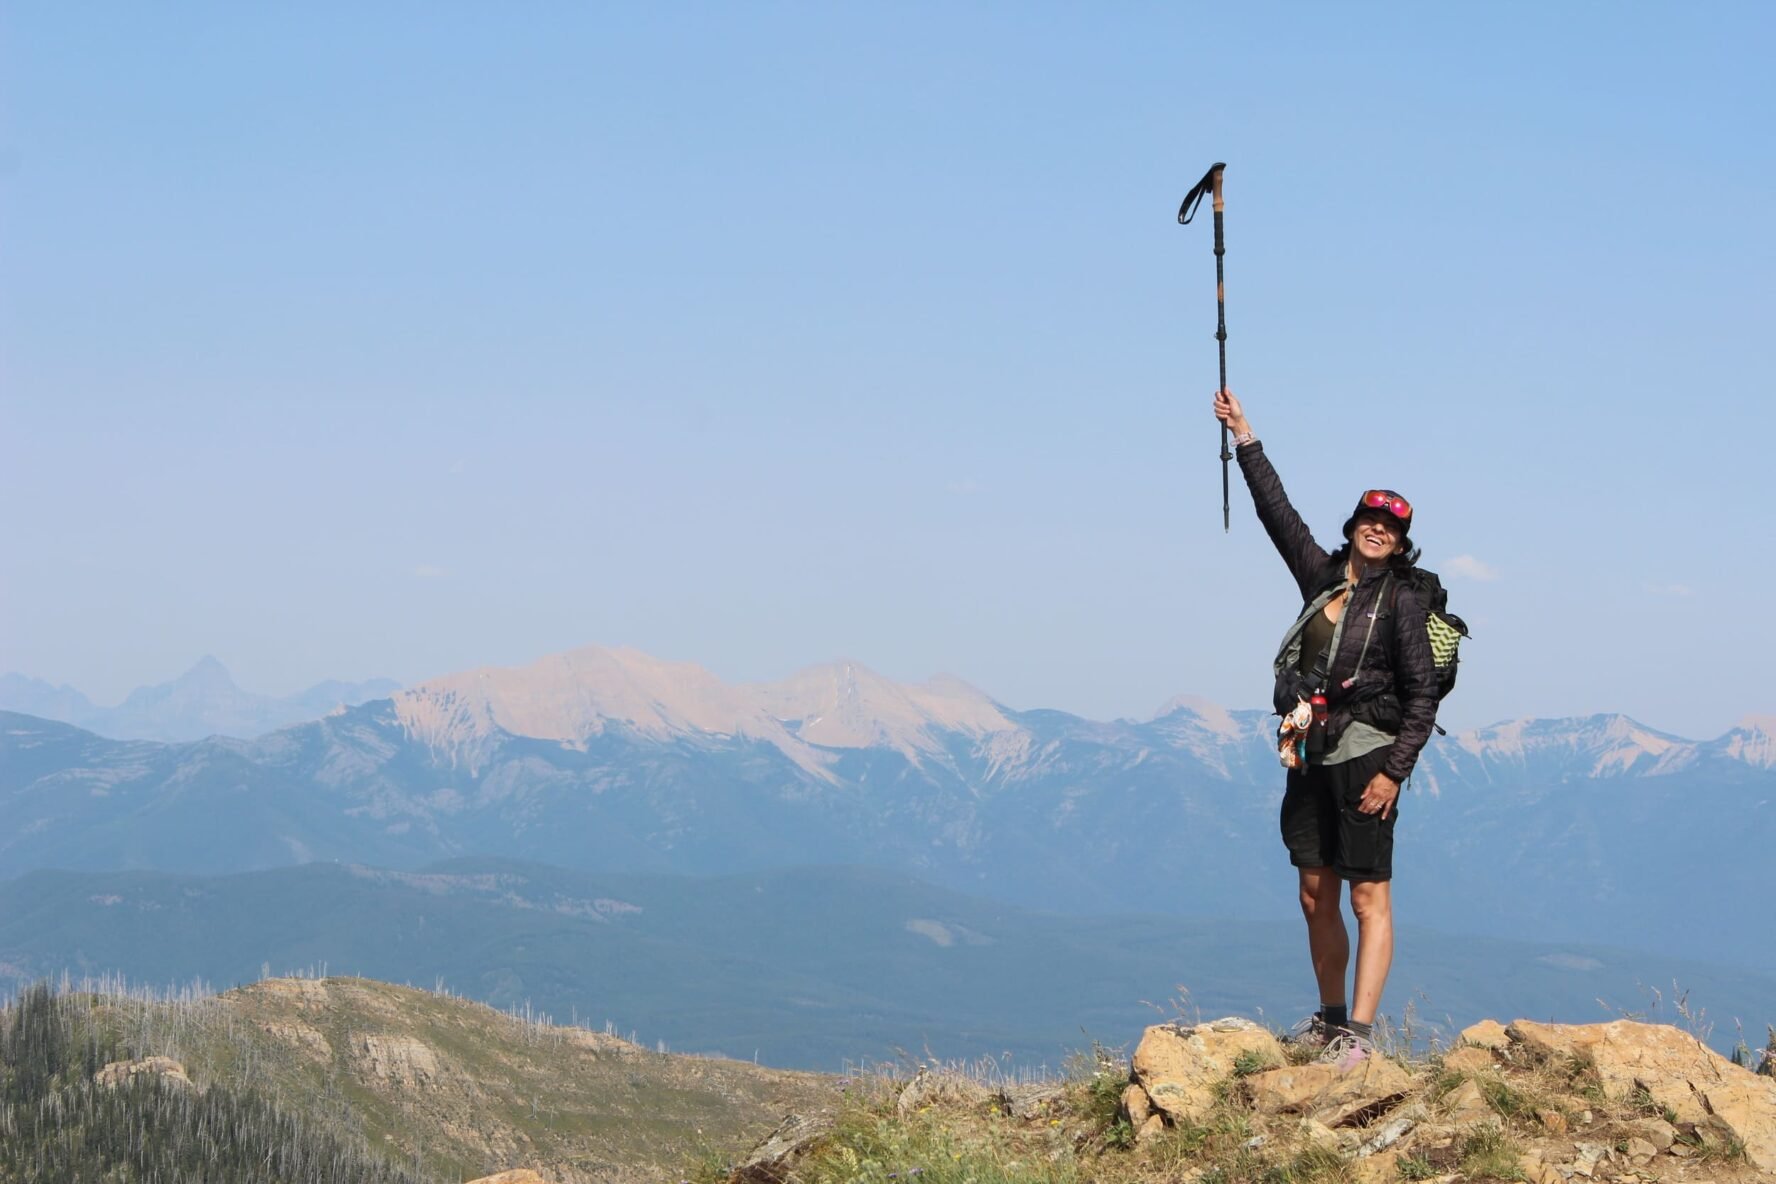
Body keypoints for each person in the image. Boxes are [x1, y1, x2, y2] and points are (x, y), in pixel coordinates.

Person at [1213, 387, 1439, 1067]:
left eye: (1391, 527)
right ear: (1354, 525)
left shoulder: (1401, 601)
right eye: (1370, 519)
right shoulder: (1321, 577)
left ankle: (1360, 1041)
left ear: (1401, 542)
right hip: (1310, 753)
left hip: (1367, 757)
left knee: (1369, 896)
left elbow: (1423, 693)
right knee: (1316, 891)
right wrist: (1244, 433)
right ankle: (1332, 1019)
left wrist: (1394, 773)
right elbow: (1275, 512)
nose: (1378, 530)